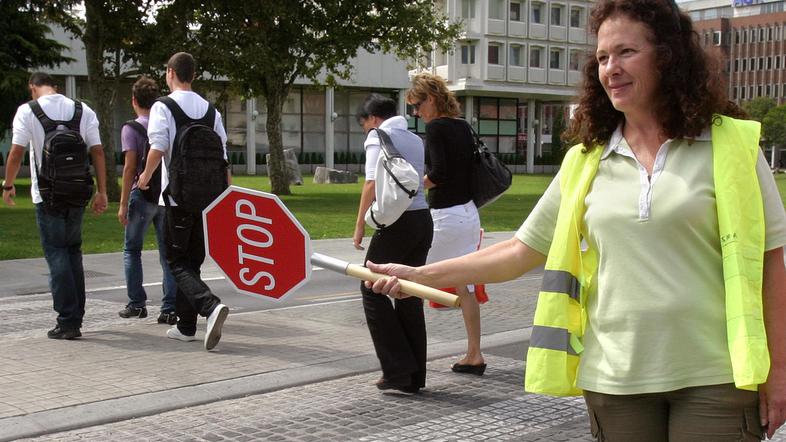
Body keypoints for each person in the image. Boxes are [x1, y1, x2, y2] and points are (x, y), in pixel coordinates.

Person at [366, 0, 786, 440]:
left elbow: (772, 266)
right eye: (603, 58)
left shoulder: (731, 146)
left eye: (626, 53)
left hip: (715, 376)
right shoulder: (585, 160)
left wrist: (778, 372)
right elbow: (519, 252)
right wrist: (420, 273)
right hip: (615, 379)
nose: (611, 69)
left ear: (668, 55)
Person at [3, 72, 108, 339]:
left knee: (57, 253)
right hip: (77, 192)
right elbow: (97, 151)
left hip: (47, 194)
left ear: (33, 88)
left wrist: (8, 184)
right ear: (57, 87)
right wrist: (102, 191)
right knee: (73, 251)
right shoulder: (83, 110)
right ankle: (77, 314)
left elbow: (16, 152)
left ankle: (68, 320)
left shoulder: (27, 111)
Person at [137, 52, 230, 351]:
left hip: (176, 197)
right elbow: (223, 159)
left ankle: (210, 306)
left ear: (170, 73)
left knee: (176, 261)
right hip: (208, 199)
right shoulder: (210, 110)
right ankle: (186, 326)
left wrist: (145, 176)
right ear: (193, 74)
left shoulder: (163, 106)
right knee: (192, 262)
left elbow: (158, 147)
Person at [352, 93, 432, 394]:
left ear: (373, 119)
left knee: (370, 287)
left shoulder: (378, 136)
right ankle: (415, 377)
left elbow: (371, 183)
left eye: (365, 124)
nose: (366, 130)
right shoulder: (414, 138)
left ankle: (397, 369)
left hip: (398, 224)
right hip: (423, 220)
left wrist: (360, 224)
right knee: (409, 295)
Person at [406, 73, 485, 375]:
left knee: (410, 279)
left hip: (446, 216)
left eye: (417, 104)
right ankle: (474, 354)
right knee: (465, 286)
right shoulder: (463, 126)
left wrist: (412, 188)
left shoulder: (436, 128)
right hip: (468, 213)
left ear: (432, 99)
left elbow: (438, 172)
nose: (416, 112)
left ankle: (409, 362)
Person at [117, 76, 177, 324]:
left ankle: (137, 303)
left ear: (134, 101)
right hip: (164, 193)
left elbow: (130, 167)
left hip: (141, 195)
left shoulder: (131, 128)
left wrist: (122, 203)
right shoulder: (164, 123)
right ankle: (169, 307)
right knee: (167, 254)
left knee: (132, 249)